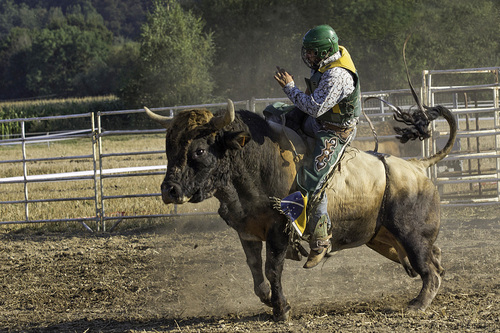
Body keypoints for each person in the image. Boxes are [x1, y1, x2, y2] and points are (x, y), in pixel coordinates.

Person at [273, 24, 361, 268]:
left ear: (324, 52)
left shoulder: (337, 75)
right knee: (274, 115)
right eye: (307, 51)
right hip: (319, 121)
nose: (308, 57)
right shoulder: (328, 62)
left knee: (310, 180)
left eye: (312, 52)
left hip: (334, 132)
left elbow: (314, 107)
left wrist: (289, 88)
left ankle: (321, 239)